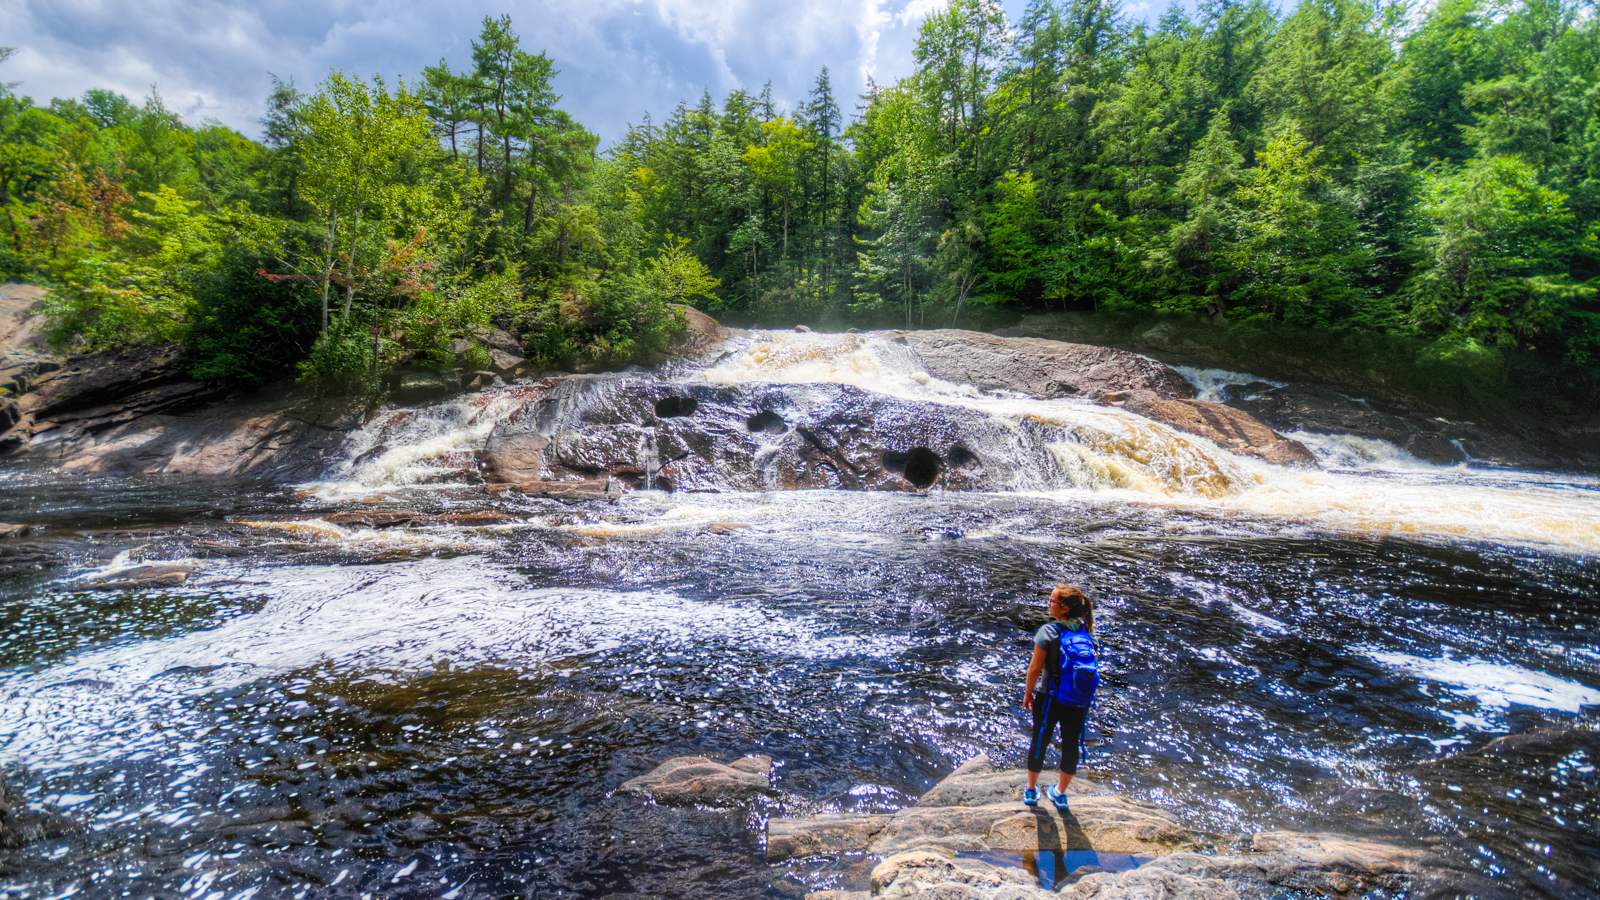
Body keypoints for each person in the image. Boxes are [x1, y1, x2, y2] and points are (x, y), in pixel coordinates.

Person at [1022, 584, 1095, 811]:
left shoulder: (1049, 631)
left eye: (1052, 601)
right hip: (1077, 700)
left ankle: (1032, 791)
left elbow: (1034, 668)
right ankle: (1060, 794)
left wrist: (1028, 693)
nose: (1048, 604)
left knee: (1040, 741)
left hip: (1050, 697)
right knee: (1071, 745)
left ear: (1063, 608)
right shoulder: (1085, 630)